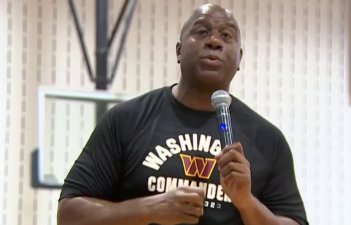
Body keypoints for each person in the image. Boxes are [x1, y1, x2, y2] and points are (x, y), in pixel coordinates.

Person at [57, 3, 308, 225]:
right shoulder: (126, 119)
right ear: (178, 51)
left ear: (239, 58)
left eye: (226, 35)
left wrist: (246, 202)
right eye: (201, 31)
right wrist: (148, 208)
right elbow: (68, 215)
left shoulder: (267, 140)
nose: (214, 41)